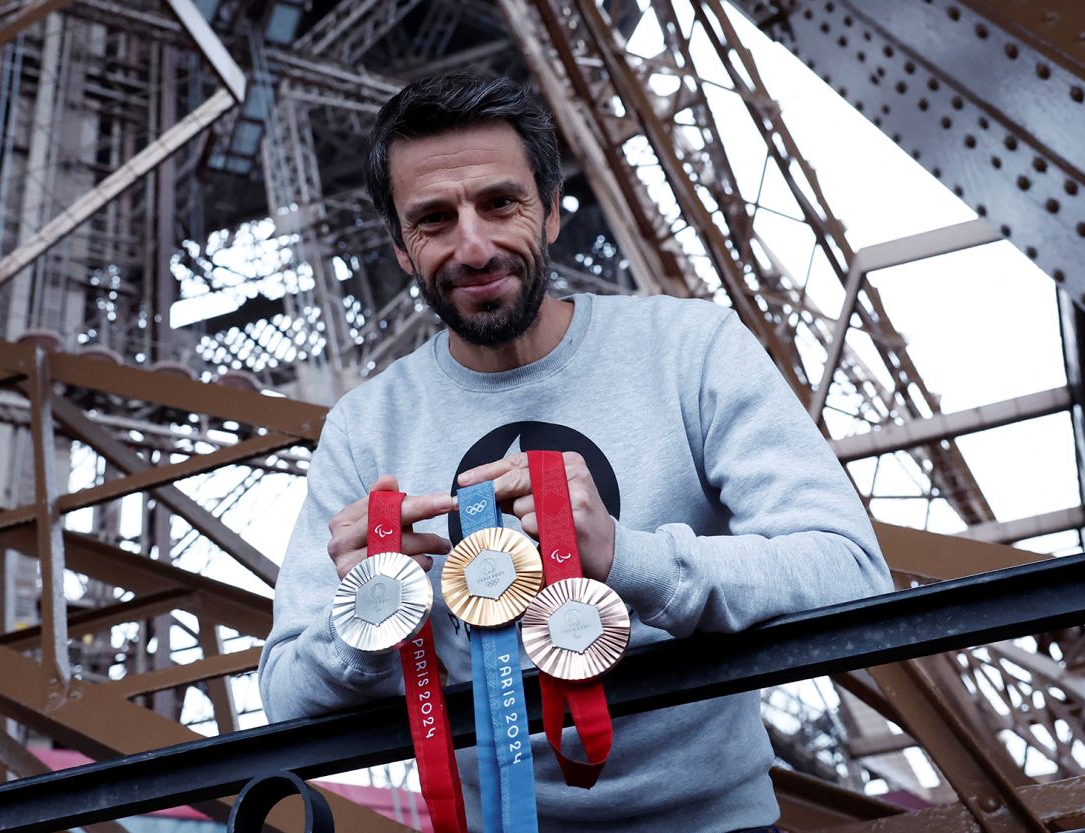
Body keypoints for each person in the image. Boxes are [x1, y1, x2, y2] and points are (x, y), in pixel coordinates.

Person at [259, 73, 892, 833]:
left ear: (554, 210)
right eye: (433, 219)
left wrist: (626, 555)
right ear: (399, 248)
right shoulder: (365, 428)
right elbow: (285, 695)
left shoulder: (691, 349)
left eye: (500, 203)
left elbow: (851, 574)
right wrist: (367, 616)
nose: (474, 244)